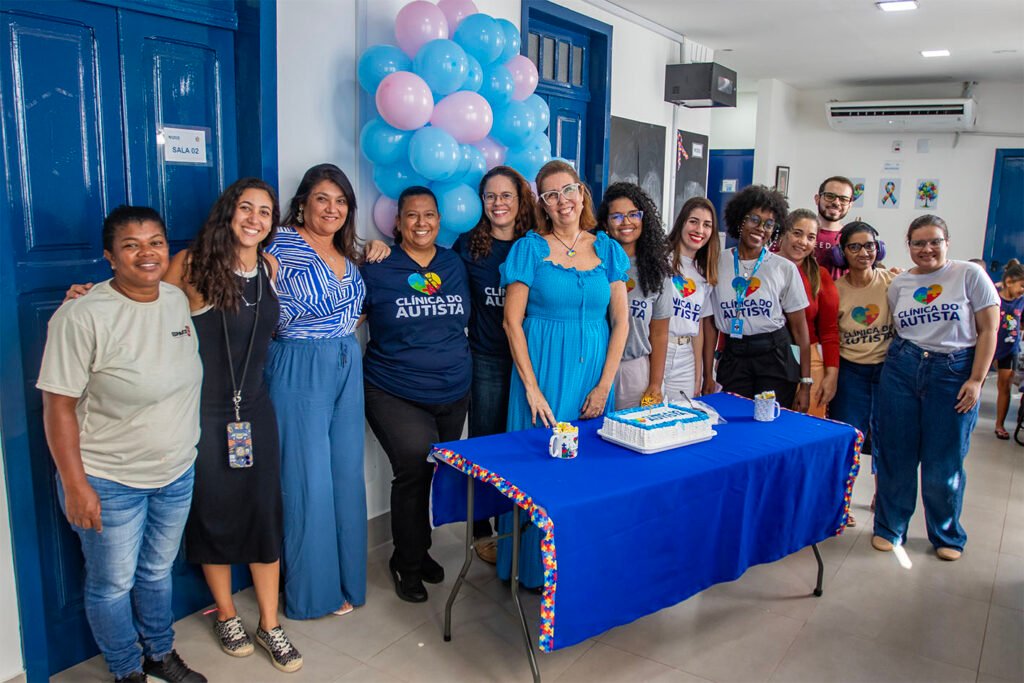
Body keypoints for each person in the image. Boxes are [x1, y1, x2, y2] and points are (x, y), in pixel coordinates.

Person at [38, 206, 206, 683]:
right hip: (109, 480)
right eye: (131, 245)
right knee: (112, 585)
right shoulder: (82, 315)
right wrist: (75, 485)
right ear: (110, 256)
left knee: (156, 572)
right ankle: (126, 670)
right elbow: (58, 408)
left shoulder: (176, 300)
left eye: (156, 242)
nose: (147, 253)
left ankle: (159, 653)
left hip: (175, 472)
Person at [497, 159, 629, 588]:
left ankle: (575, 567)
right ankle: (531, 570)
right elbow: (512, 323)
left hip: (594, 376)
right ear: (542, 204)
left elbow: (621, 322)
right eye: (550, 194)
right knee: (539, 469)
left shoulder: (608, 248)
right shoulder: (529, 249)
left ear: (582, 193)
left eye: (568, 189)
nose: (562, 200)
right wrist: (532, 391)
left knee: (585, 472)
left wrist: (604, 385)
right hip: (543, 377)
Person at [265, 164, 373, 619]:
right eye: (323, 199)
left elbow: (353, 309)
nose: (332, 208)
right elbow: (213, 273)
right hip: (299, 363)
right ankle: (314, 593)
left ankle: (348, 579)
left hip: (346, 361)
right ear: (303, 202)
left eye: (341, 201)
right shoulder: (277, 246)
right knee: (306, 478)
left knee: (346, 473)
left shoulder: (347, 252)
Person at [362, 186, 472, 603]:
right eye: (412, 215)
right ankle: (405, 563)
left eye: (428, 215)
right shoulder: (379, 264)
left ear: (439, 221)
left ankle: (419, 549)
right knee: (412, 467)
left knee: (433, 470)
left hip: (452, 388)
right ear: (397, 222)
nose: (421, 223)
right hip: (394, 388)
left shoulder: (453, 263)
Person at [873, 215, 999, 561]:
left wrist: (975, 379)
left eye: (934, 241)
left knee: (944, 460)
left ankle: (946, 533)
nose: (927, 249)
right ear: (908, 245)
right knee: (896, 454)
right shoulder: (899, 285)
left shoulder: (970, 275)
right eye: (918, 243)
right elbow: (900, 328)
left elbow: (989, 330)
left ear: (947, 242)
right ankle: (889, 526)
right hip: (903, 367)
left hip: (953, 371)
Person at [452, 166, 536, 564]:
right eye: (490, 196)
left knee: (524, 445)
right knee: (487, 448)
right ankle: (482, 532)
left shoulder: (535, 244)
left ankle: (518, 528)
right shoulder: (469, 245)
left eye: (506, 196)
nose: (498, 203)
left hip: (533, 365)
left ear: (520, 201)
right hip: (486, 360)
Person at [708, 185, 811, 410]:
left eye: (769, 224)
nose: (761, 228)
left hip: (774, 355)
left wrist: (805, 383)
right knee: (732, 420)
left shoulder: (784, 268)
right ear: (739, 220)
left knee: (769, 424)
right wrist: (707, 373)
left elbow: (800, 329)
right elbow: (709, 325)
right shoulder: (716, 262)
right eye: (754, 219)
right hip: (734, 355)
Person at [830, 220, 895, 525]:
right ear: (843, 252)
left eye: (869, 245)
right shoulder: (836, 290)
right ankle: (843, 502)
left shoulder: (892, 282)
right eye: (854, 246)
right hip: (851, 373)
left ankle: (882, 499)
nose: (863, 252)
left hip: (887, 373)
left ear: (878, 248)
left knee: (888, 438)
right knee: (849, 437)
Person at [596, 182, 673, 409]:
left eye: (633, 214)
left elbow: (659, 334)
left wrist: (655, 384)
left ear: (644, 219)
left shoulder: (656, 270)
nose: (626, 222)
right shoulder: (594, 263)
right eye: (617, 216)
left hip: (633, 369)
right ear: (605, 224)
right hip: (595, 366)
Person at [775, 209, 840, 418]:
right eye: (797, 233)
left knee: (805, 430)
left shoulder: (819, 276)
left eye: (811, 237)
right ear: (784, 232)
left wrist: (832, 374)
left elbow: (830, 330)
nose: (803, 241)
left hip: (808, 361)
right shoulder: (763, 268)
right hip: (768, 358)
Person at [664, 197, 720, 399]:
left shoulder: (705, 274)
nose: (699, 230)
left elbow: (698, 329)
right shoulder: (660, 259)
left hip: (686, 356)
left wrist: (698, 376)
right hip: (659, 349)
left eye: (707, 225)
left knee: (682, 421)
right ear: (681, 223)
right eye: (693, 221)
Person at [992, 259, 1024, 439]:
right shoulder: (993, 294)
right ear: (1009, 281)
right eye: (1022, 285)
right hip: (989, 345)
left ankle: (1000, 424)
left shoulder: (1021, 301)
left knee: (1005, 385)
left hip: (1010, 347)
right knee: (977, 382)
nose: (1023, 291)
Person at [812, 176, 856, 279]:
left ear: (850, 205)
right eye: (830, 196)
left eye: (843, 199)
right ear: (817, 199)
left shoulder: (853, 239)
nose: (836, 202)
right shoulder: (798, 234)